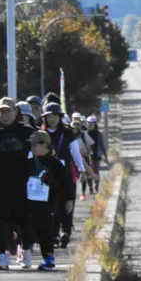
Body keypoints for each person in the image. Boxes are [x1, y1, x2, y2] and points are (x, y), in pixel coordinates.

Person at [0, 97, 34, 271]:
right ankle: (2, 255)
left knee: (24, 220)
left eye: (8, 111)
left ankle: (26, 252)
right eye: (1, 111)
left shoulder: (27, 132)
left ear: (16, 112)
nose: (4, 114)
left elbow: (39, 156)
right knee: (0, 221)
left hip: (23, 184)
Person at [41, 102, 90, 247]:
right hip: (48, 176)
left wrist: (81, 170)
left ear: (60, 117)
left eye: (55, 116)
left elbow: (75, 153)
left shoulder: (68, 133)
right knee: (52, 205)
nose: (52, 119)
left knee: (68, 203)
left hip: (66, 174)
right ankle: (54, 234)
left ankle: (66, 232)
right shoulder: (41, 133)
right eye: (49, 116)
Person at [24, 130, 74, 271]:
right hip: (29, 202)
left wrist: (68, 200)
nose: (32, 148)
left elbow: (66, 183)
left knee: (46, 229)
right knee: (27, 227)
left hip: (49, 203)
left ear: (44, 144)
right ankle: (26, 253)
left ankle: (48, 258)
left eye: (34, 145)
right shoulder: (28, 163)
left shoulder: (55, 164)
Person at [86, 115, 106, 192]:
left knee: (96, 171)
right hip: (88, 156)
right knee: (89, 172)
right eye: (89, 123)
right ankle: (90, 187)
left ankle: (96, 187)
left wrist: (106, 156)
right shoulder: (85, 133)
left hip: (96, 155)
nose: (90, 124)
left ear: (95, 124)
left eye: (92, 123)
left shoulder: (98, 133)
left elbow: (102, 145)